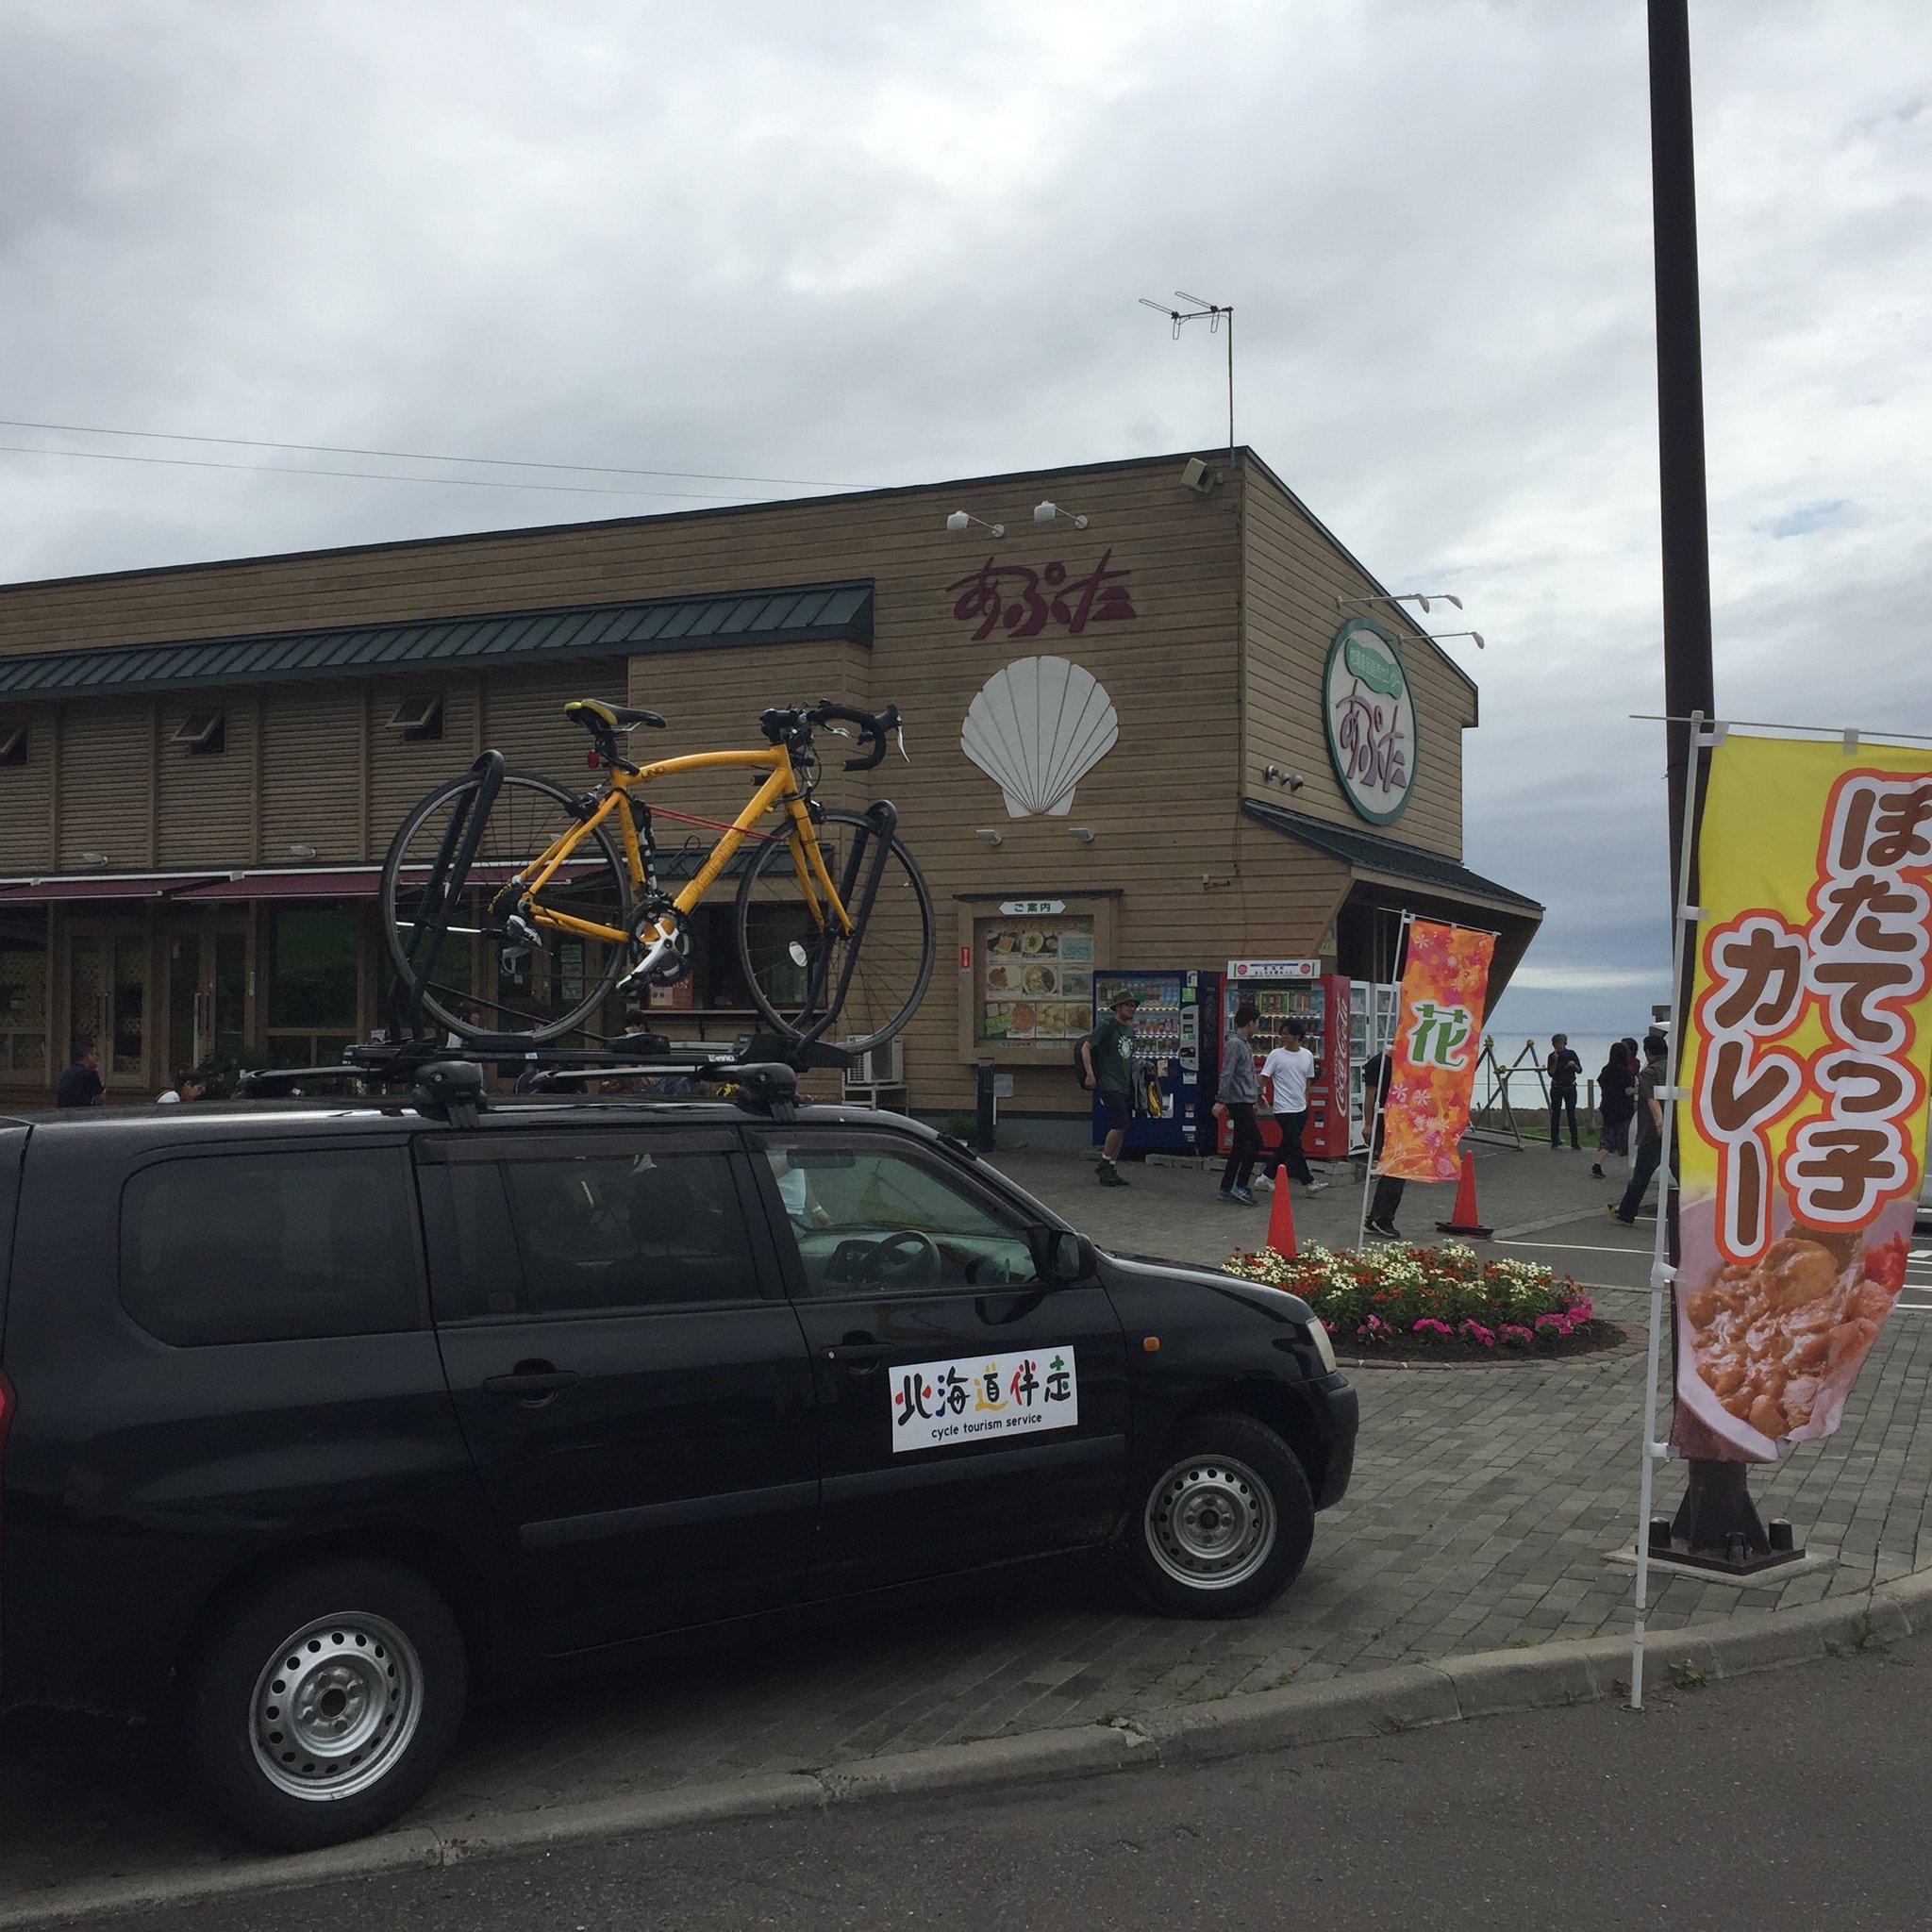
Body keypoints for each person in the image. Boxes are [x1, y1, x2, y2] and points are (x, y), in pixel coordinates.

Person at [1257, 1021, 1326, 1194]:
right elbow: (1263, 1077)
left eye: (1287, 1033)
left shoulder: (1307, 1055)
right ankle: (1308, 1183)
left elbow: (1308, 1079)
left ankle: (1265, 1177)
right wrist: (1259, 1095)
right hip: (1283, 1108)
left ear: (1297, 1036)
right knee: (1295, 1145)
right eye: (1282, 1033)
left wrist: (1307, 1100)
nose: (1283, 1037)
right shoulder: (1276, 1055)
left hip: (1300, 1107)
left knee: (1287, 1144)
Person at [1081, 990, 1141, 1188]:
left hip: (1124, 1083)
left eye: (1134, 1006)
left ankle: (1111, 1167)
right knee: (1119, 1123)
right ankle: (1104, 1163)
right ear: (1118, 1007)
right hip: (1108, 1082)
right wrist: (1090, 1074)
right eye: (1128, 1005)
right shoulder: (1107, 1026)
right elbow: (1086, 1047)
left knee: (1124, 1126)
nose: (1132, 1009)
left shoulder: (1129, 1030)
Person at [1609, 1033, 1672, 1224]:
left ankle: (1627, 1211)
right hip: (1678, 1129)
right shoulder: (1676, 1068)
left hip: (1654, 1132)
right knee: (1681, 1171)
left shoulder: (1649, 1073)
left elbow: (1652, 1101)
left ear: (1648, 1052)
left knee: (1641, 1174)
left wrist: (1660, 1124)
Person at [1213, 1001, 1264, 1205]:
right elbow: (1228, 1072)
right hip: (1238, 1100)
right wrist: (1220, 1100)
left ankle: (1226, 1187)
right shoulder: (1235, 1044)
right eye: (1257, 1022)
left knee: (1240, 1145)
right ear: (1250, 1022)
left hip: (1245, 1097)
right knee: (1256, 1142)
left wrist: (1258, 1093)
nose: (1258, 1026)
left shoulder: (1243, 1043)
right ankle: (1240, 1185)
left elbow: (1248, 1073)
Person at [1360, 1046, 1405, 1239]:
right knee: (1393, 1169)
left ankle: (1376, 1218)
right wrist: (1368, 1124)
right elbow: (1370, 1095)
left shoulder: (1402, 1063)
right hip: (1383, 1120)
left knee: (1394, 1169)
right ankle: (1381, 1218)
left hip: (1398, 1119)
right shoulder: (1378, 1064)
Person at [1591, 1041, 1635, 1179]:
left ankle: (1597, 1164)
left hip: (1607, 1106)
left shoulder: (1606, 1069)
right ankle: (1636, 1166)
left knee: (1607, 1138)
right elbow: (1628, 1091)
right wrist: (1638, 1087)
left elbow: (1601, 1082)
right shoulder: (1625, 1072)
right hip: (1623, 1109)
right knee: (1627, 1137)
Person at [1545, 1033, 1583, 1149]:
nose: (1559, 1045)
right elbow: (1551, 1073)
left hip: (1570, 1087)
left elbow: (1580, 1070)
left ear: (1565, 1043)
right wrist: (1556, 1061)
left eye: (1561, 1043)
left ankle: (1574, 1141)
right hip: (1557, 1087)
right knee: (1555, 1113)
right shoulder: (1551, 1056)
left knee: (1571, 1114)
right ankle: (1555, 1140)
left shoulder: (1571, 1054)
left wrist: (1574, 1065)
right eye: (1556, 1043)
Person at [57, 1041, 103, 1108]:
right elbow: (101, 1096)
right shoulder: (90, 1073)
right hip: (82, 1113)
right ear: (88, 1056)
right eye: (95, 1054)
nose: (97, 1058)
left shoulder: (66, 1073)